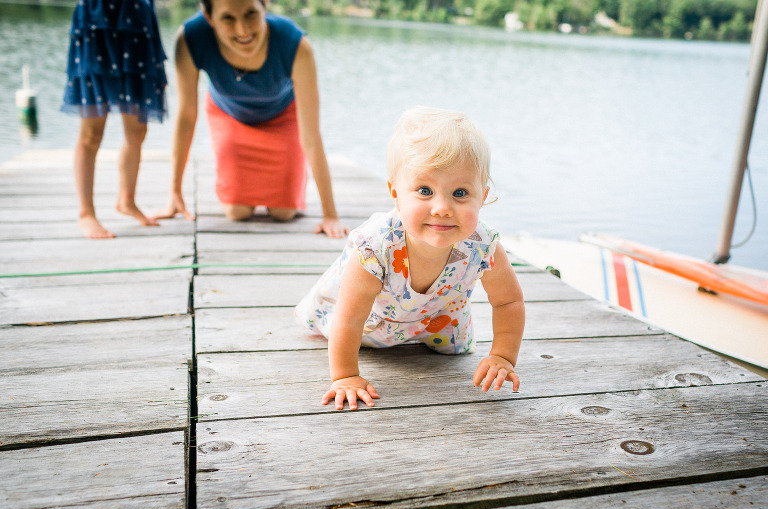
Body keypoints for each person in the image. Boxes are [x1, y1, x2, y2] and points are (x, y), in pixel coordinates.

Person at [295, 106, 525, 410]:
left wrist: (502, 355)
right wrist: (345, 376)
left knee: (455, 350)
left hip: (438, 318)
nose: (442, 207)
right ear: (396, 193)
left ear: (481, 196)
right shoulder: (376, 248)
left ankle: (433, 336)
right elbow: (349, 318)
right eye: (425, 190)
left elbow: (508, 302)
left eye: (459, 193)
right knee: (348, 324)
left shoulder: (483, 245)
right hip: (370, 323)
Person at [154, 0, 347, 237]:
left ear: (265, 5)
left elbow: (311, 136)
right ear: (208, 16)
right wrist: (174, 193)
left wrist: (330, 215)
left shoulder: (295, 43)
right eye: (228, 18)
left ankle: (293, 172)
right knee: (237, 211)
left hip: (283, 116)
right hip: (228, 113)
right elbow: (186, 117)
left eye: (250, 14)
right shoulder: (190, 38)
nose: (243, 30)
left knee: (283, 213)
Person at [61, 0, 168, 239]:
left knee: (138, 131)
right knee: (91, 133)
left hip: (137, 18)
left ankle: (126, 200)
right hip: (97, 19)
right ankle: (86, 213)